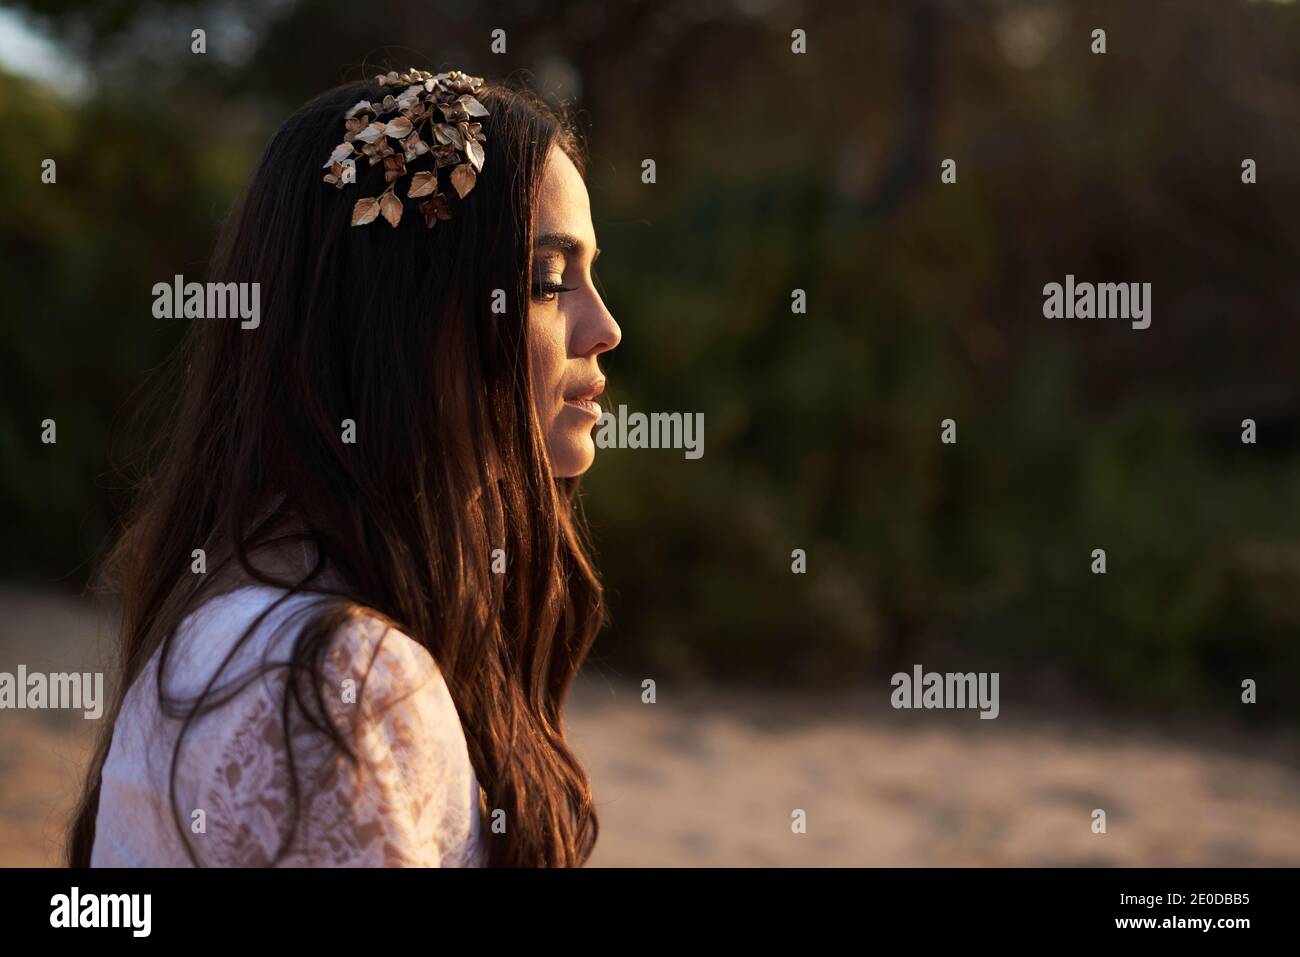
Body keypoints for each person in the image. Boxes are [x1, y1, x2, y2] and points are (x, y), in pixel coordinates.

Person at [66, 67, 622, 867]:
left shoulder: (247, 617)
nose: (602, 326)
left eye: (590, 274)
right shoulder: (336, 684)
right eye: (546, 280)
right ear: (397, 320)